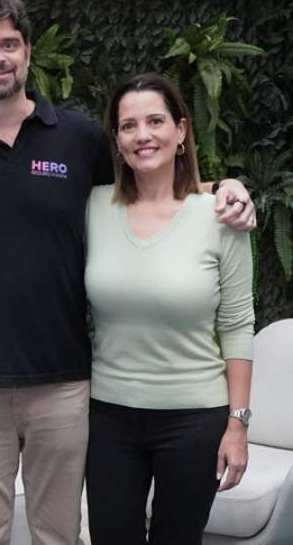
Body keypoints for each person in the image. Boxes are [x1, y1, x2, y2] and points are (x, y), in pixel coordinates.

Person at [0, 0, 257, 545]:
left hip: (64, 382)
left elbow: (148, 187)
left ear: (27, 52)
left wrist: (225, 187)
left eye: (8, 43)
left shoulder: (79, 139)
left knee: (59, 535)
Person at [85, 73, 254, 544]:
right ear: (117, 140)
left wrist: (238, 425)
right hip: (107, 417)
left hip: (195, 418)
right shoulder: (93, 207)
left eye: (155, 121)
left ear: (180, 131)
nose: (143, 135)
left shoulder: (222, 216)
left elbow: (238, 324)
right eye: (129, 125)